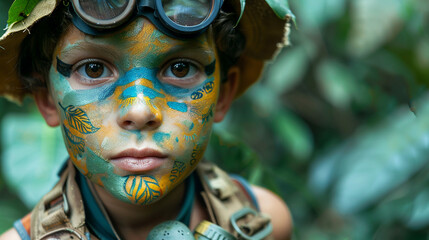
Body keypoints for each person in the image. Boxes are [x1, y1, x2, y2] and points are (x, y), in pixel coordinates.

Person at [0, 0, 293, 239]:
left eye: (180, 69)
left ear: (224, 94)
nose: (139, 112)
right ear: (47, 98)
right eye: (92, 70)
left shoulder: (264, 224)